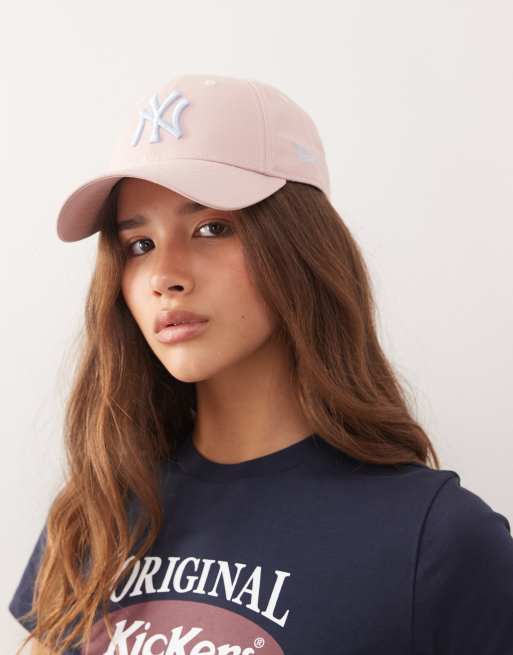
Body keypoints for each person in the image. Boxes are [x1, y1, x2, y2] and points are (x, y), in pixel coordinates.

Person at [8, 73, 513, 655]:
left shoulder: (435, 540)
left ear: (300, 246)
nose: (164, 276)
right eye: (139, 245)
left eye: (211, 228)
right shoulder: (97, 513)